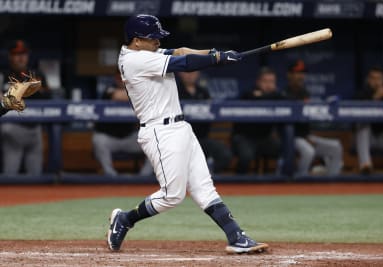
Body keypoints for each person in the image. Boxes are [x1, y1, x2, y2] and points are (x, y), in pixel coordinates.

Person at [107, 14, 268, 254]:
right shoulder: (134, 61)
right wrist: (218, 59)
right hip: (160, 132)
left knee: (204, 187)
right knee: (172, 196)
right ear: (137, 41)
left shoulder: (146, 52)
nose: (158, 42)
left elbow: (181, 52)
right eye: (153, 39)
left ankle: (236, 236)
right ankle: (125, 219)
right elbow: (183, 64)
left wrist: (215, 53)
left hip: (180, 128)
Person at [285, 60, 343, 176]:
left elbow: (306, 119)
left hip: (305, 136)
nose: (301, 76)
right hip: (291, 137)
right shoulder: (284, 94)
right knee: (308, 151)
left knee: (336, 147)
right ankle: (301, 180)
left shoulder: (304, 92)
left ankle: (331, 183)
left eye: (302, 73)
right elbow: (287, 123)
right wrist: (305, 137)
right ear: (289, 75)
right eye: (297, 73)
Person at [1, 40, 49, 175]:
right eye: (17, 54)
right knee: (10, 174)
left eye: (23, 53)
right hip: (12, 128)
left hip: (34, 129)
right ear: (10, 56)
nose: (21, 57)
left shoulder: (37, 75)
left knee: (35, 175)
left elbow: (48, 99)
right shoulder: (3, 75)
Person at [92, 72, 152, 176]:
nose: (123, 80)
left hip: (130, 138)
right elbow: (118, 95)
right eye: (120, 77)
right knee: (98, 140)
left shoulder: (136, 90)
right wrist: (140, 93)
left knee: (153, 140)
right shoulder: (109, 89)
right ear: (116, 78)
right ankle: (110, 176)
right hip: (109, 139)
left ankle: (143, 177)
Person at [177, 71, 232, 173]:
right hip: (180, 139)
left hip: (201, 138)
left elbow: (212, 114)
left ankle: (207, 173)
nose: (190, 75)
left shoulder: (203, 91)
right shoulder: (175, 91)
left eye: (193, 72)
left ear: (198, 74)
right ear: (180, 73)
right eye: (187, 72)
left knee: (225, 154)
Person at [232, 67, 282, 174]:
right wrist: (266, 96)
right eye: (265, 81)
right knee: (246, 156)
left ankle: (280, 182)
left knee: (285, 149)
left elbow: (286, 99)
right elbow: (251, 97)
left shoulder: (277, 96)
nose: (268, 85)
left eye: (271, 82)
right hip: (245, 137)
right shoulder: (248, 94)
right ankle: (239, 181)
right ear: (258, 82)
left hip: (265, 138)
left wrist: (265, 95)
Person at [355, 67, 383, 174]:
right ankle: (366, 166)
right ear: (368, 79)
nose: (376, 81)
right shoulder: (362, 93)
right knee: (362, 127)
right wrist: (375, 98)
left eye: (378, 78)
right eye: (373, 78)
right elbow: (356, 111)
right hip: (370, 139)